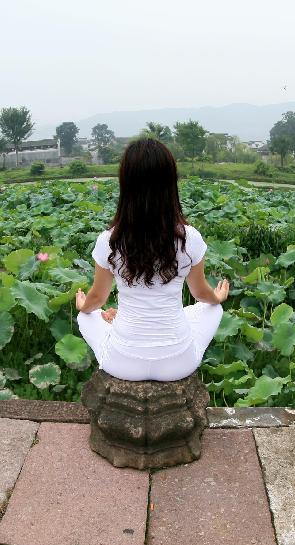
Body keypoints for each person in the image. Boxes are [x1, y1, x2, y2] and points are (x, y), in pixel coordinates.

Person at [75, 138, 229, 382]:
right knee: (211, 309)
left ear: (125, 183)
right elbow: (201, 294)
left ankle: (118, 321)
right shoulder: (189, 238)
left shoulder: (109, 240)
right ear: (170, 183)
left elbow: (98, 298)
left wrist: (84, 306)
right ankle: (123, 320)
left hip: (123, 363)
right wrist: (217, 298)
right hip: (178, 363)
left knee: (86, 315)